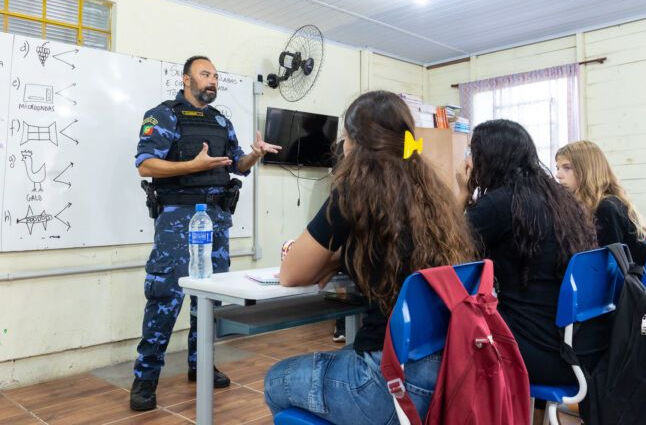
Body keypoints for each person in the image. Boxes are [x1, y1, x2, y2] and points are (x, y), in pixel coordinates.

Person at [264, 90, 476, 424]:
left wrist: (330, 258)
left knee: (276, 380)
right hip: (444, 374)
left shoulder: (355, 192)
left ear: (353, 142)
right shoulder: (434, 194)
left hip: (386, 385)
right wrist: (339, 258)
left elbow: (291, 273)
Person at [130, 55, 281, 411]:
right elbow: (145, 165)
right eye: (205, 74)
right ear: (186, 79)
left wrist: (255, 155)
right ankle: (146, 378)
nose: (212, 80)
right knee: (165, 297)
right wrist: (192, 165)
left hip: (215, 220)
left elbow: (237, 165)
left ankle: (201, 365)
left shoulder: (220, 121)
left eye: (215, 75)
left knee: (209, 297)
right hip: (177, 221)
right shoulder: (164, 114)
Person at [456, 120, 604, 390]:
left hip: (537, 351)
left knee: (449, 336)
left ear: (487, 158)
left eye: (471, 153)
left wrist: (464, 193)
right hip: (579, 348)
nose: (468, 161)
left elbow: (447, 250)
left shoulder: (501, 203)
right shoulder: (558, 197)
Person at [555, 140, 646, 265]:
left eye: (567, 168)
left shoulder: (606, 207)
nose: (558, 175)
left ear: (587, 170)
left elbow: (611, 265)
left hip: (627, 280)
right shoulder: (596, 204)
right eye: (558, 168)